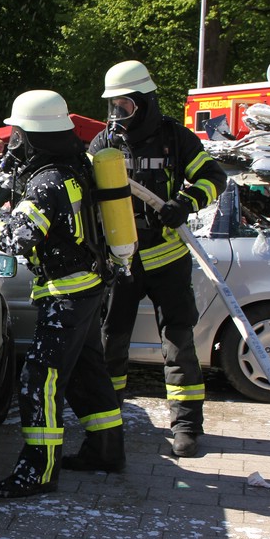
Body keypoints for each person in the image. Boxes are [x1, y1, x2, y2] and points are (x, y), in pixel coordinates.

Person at [0, 90, 123, 498]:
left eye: (17, 134)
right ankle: (106, 449)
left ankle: (39, 469)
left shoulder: (48, 181)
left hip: (66, 292)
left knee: (40, 377)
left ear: (32, 136)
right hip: (88, 285)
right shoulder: (74, 167)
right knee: (88, 371)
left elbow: (17, 239)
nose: (13, 142)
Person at [89, 61, 226, 458]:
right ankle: (107, 425)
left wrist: (185, 203)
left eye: (125, 106)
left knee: (178, 344)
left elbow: (214, 177)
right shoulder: (103, 145)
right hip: (122, 262)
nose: (117, 116)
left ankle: (186, 426)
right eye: (113, 107)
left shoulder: (176, 139)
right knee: (111, 342)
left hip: (167, 259)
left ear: (145, 103)